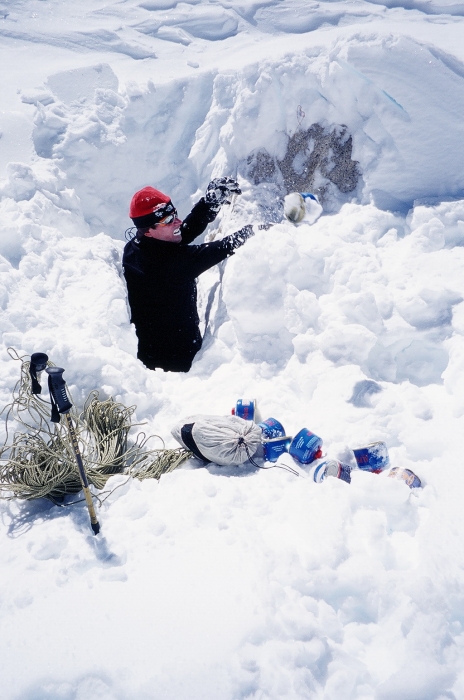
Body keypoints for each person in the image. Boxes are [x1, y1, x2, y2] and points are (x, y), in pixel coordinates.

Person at [122, 177, 256, 372]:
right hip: (172, 364)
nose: (177, 221)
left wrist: (210, 202)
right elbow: (216, 250)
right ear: (149, 230)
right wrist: (251, 232)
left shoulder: (138, 246)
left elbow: (182, 233)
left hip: (158, 347)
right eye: (168, 220)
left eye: (174, 214)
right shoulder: (165, 265)